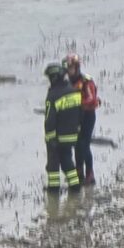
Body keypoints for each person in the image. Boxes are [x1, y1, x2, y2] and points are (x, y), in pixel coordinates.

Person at [42, 62, 82, 194]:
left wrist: (50, 138)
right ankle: (75, 185)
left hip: (57, 137)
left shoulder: (52, 95)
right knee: (67, 160)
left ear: (53, 78)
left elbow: (50, 120)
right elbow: (81, 113)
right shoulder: (74, 91)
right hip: (72, 135)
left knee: (53, 164)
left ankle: (53, 190)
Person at [64, 53, 101, 186]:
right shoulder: (67, 83)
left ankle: (90, 174)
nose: (69, 71)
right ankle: (79, 173)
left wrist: (78, 104)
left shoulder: (86, 81)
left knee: (84, 145)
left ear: (77, 67)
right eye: (67, 68)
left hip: (87, 116)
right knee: (76, 145)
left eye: (71, 68)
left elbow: (91, 99)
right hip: (75, 118)